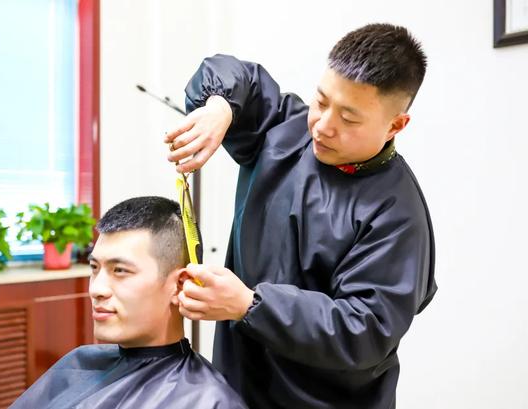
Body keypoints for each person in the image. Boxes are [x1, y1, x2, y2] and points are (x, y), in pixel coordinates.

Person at [165, 23, 438, 409]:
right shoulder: (283, 133)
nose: (323, 127)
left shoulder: (396, 216)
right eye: (321, 101)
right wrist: (219, 107)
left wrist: (249, 305)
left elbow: (362, 330)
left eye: (349, 118)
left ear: (396, 125)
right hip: (239, 388)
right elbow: (237, 76)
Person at [10, 196, 248, 409]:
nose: (96, 289)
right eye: (94, 268)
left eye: (120, 270)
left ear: (179, 285)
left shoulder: (209, 401)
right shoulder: (79, 364)